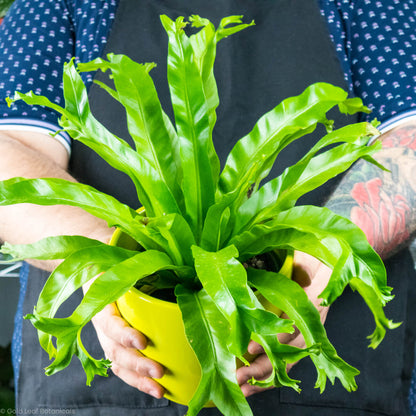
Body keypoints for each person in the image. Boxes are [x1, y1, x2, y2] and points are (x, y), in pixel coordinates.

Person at [0, 0, 415, 415]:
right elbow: (11, 154)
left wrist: (325, 259)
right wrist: (101, 263)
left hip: (331, 387)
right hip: (101, 388)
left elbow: (410, 139)